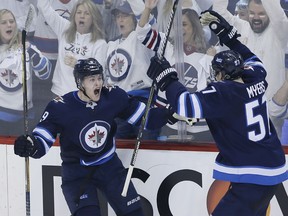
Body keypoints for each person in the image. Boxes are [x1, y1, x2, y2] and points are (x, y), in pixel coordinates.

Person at [146, 10, 288, 215]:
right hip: (270, 165)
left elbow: (186, 104)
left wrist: (167, 77)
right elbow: (250, 57)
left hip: (253, 172)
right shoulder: (255, 76)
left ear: (221, 74)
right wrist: (229, 37)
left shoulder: (224, 92)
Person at [13, 57, 171, 216]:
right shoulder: (61, 107)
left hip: (109, 167)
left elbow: (145, 118)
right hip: (77, 173)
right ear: (80, 82)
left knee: (134, 213)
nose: (98, 84)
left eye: (99, 78)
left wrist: (168, 114)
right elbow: (42, 140)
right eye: (92, 80)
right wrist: (30, 145)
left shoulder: (113, 96)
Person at [137, 0, 213, 141]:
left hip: (200, 126)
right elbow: (142, 34)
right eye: (176, 25)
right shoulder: (166, 44)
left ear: (195, 27)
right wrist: (147, 9)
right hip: (169, 122)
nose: (179, 29)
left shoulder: (208, 53)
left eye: (184, 24)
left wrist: (212, 60)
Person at [213, 0, 288, 139]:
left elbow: (278, 16)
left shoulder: (281, 32)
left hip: (270, 113)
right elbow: (219, 14)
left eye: (262, 14)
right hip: (240, 111)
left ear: (270, 14)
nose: (256, 17)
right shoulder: (242, 27)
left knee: (268, 156)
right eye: (252, 13)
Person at [106, 1, 159, 140]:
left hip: (143, 101)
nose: (120, 20)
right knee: (119, 150)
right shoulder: (110, 45)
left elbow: (146, 21)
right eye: (118, 16)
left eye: (125, 16)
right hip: (120, 105)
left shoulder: (142, 38)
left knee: (148, 151)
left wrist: (146, 9)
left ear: (134, 19)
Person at [37, 0, 107, 97]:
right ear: (74, 15)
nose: (82, 16)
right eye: (79, 12)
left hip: (82, 96)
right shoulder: (64, 28)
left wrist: (78, 64)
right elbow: (43, 7)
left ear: (93, 19)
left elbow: (99, 73)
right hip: (58, 93)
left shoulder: (100, 43)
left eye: (87, 13)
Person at [0, 9, 51, 135]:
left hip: (24, 118)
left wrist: (32, 53)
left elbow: (46, 73)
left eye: (11, 21)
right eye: (4, 22)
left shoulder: (27, 47)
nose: (9, 25)